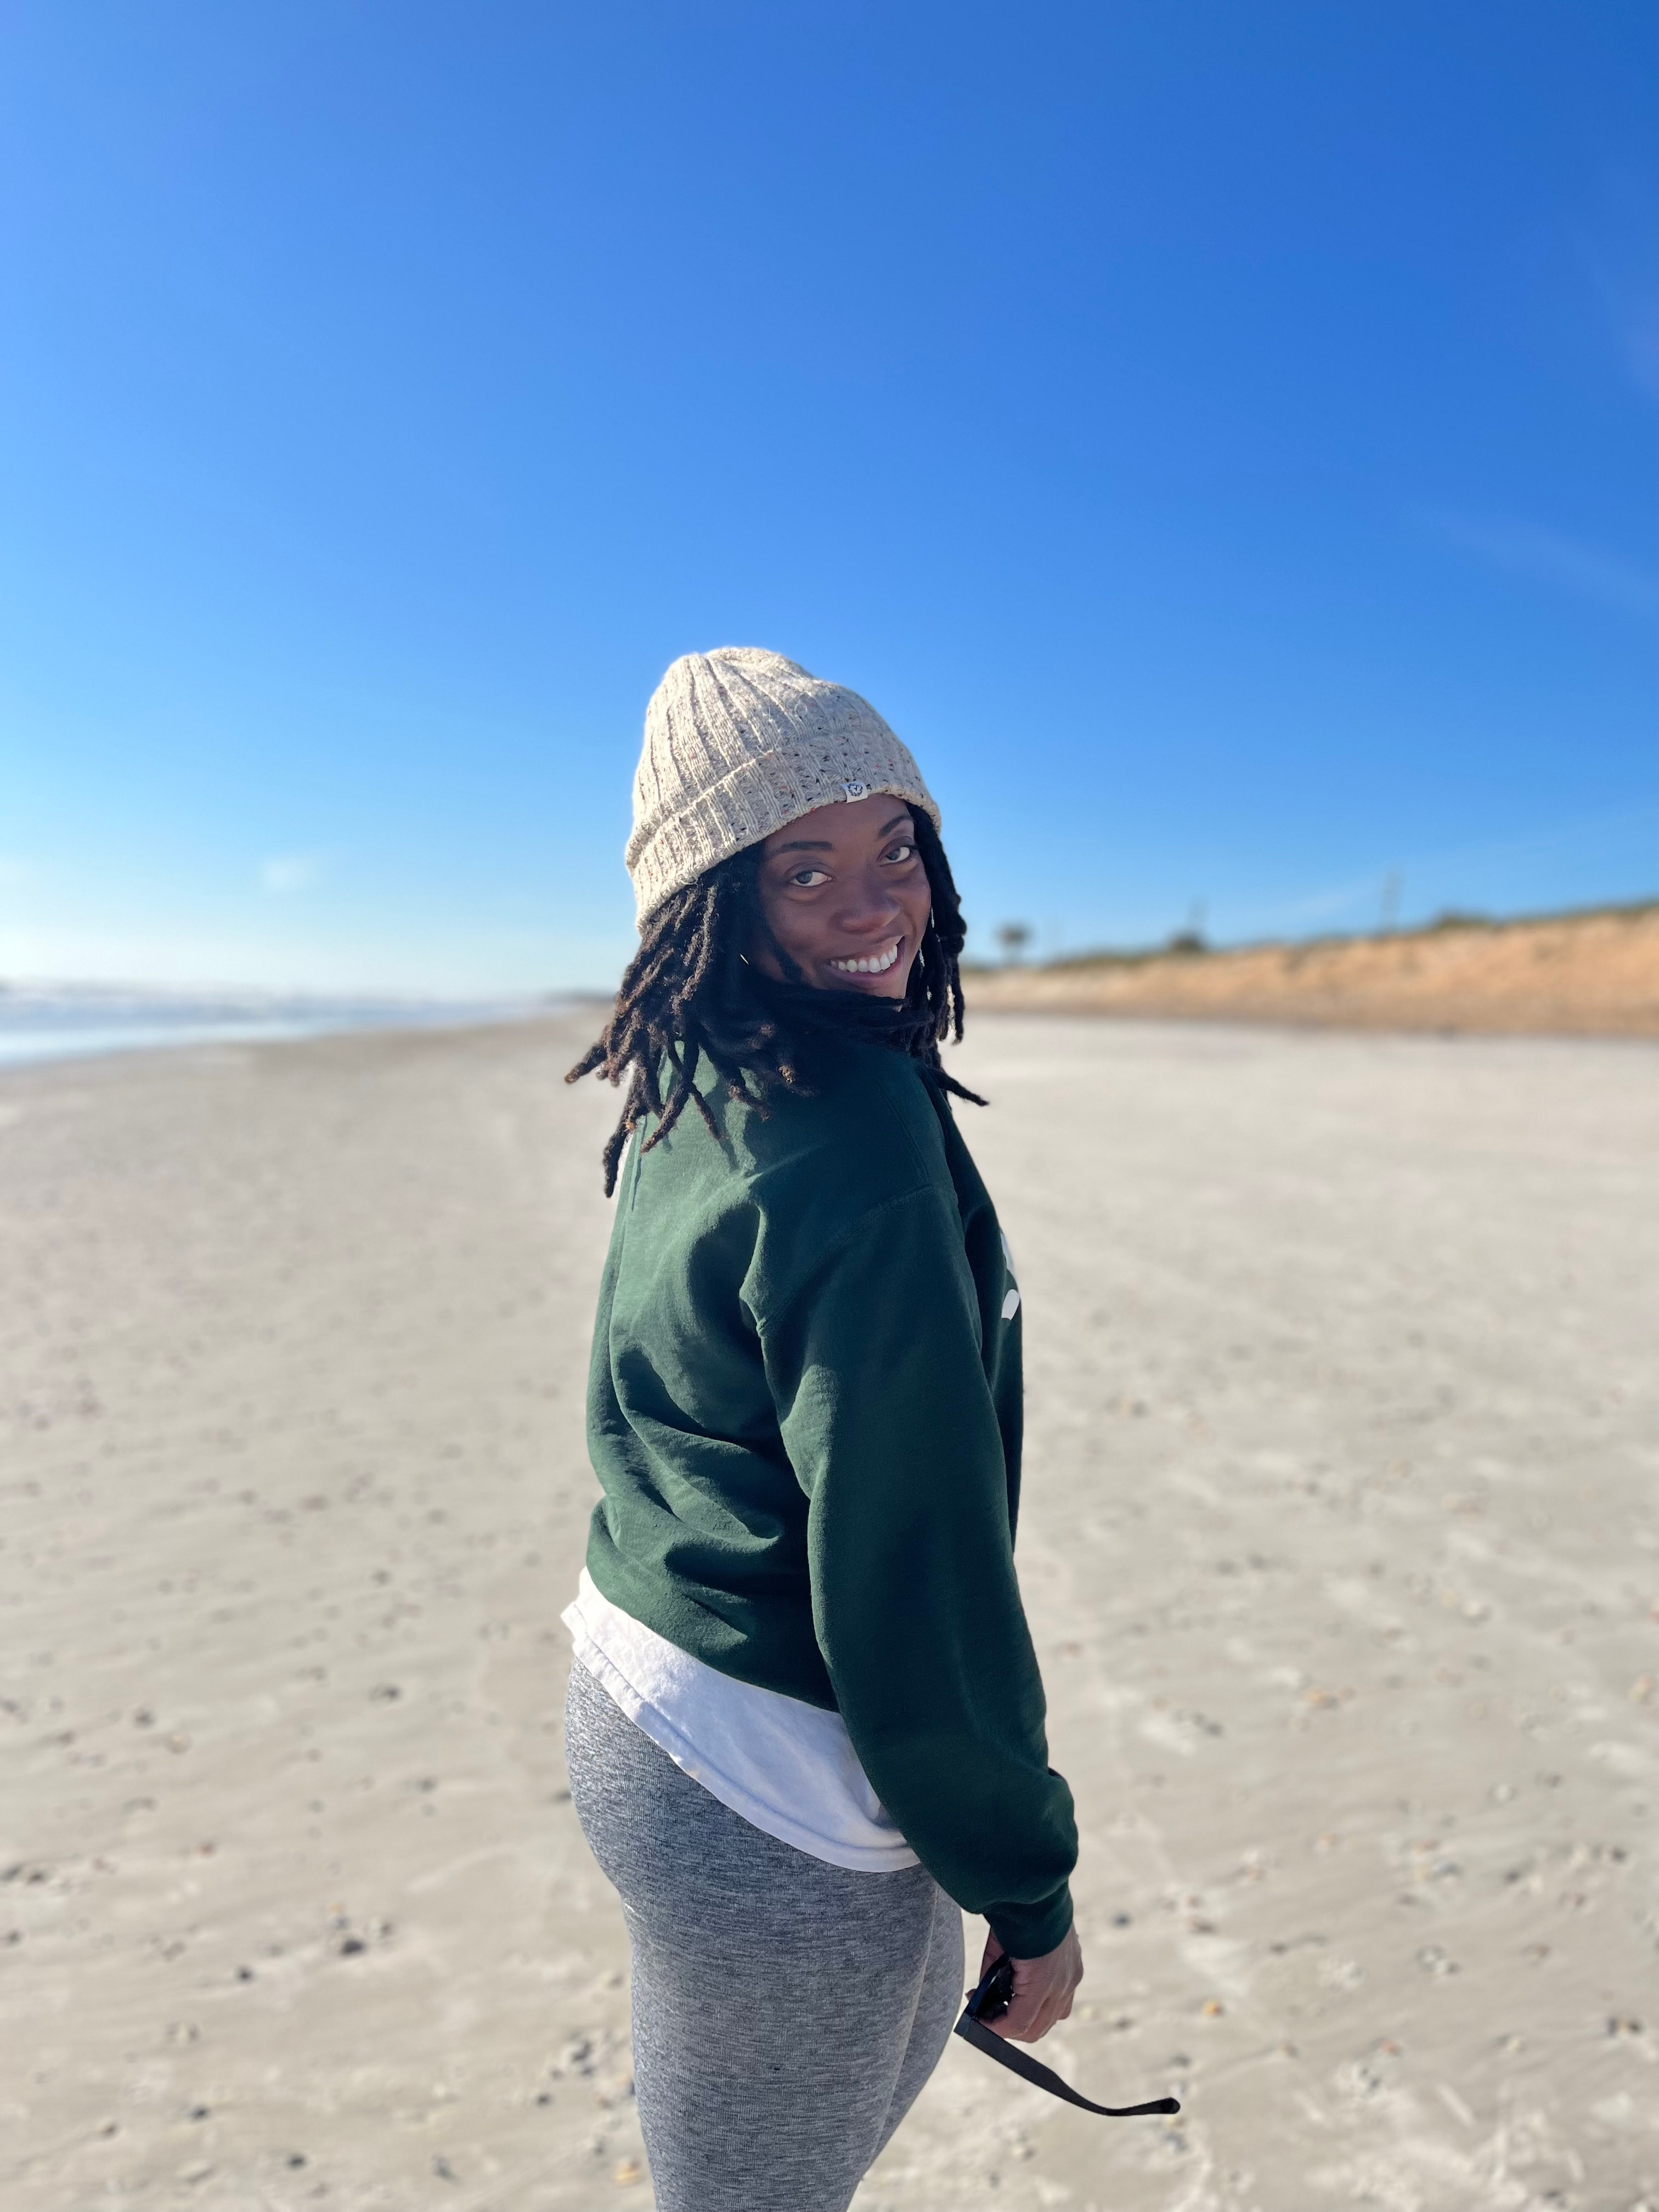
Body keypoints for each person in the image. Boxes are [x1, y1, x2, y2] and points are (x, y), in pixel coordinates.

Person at [563, 648, 1081, 2212]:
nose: (877, 906)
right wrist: (1026, 1879)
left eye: (896, 848)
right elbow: (911, 1567)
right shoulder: (851, 1137)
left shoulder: (703, 1068)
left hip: (637, 1700)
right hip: (770, 1782)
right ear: (714, 903)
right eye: (807, 871)